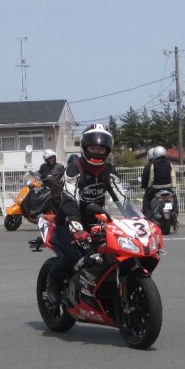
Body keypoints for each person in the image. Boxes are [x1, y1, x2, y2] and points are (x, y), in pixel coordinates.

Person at [46, 123, 127, 304]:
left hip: (95, 221)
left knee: (113, 254)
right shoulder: (75, 169)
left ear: (107, 150)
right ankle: (52, 284)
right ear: (85, 147)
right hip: (68, 221)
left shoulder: (109, 171)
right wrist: (76, 226)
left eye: (101, 148)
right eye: (93, 148)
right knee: (72, 257)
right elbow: (69, 198)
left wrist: (138, 219)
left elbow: (122, 199)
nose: (97, 152)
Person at [141, 145, 177, 216]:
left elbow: (152, 178)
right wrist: (173, 186)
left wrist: (149, 186)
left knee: (146, 198)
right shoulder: (169, 163)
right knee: (174, 197)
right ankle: (175, 212)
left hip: (156, 187)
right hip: (168, 187)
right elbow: (173, 175)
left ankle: (147, 214)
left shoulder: (153, 164)